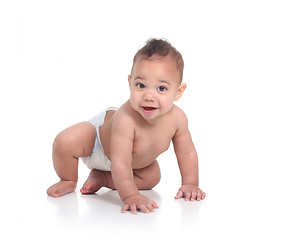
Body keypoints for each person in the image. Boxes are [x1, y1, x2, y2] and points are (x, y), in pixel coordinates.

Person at [47, 38, 206, 214]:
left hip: (129, 165)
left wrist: (190, 184)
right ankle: (68, 179)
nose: (149, 96)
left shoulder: (178, 119)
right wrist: (130, 195)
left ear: (179, 91)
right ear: (130, 83)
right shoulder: (125, 119)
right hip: (97, 142)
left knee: (152, 177)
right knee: (65, 142)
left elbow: (187, 152)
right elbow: (120, 161)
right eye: (141, 85)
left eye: (161, 88)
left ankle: (103, 178)